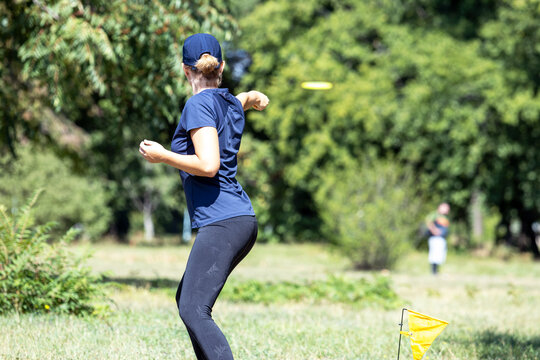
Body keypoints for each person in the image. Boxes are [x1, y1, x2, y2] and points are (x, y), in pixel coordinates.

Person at [138, 33, 269, 360]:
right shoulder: (226, 102)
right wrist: (252, 97)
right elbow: (238, 101)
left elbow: (208, 165)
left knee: (194, 308)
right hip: (240, 218)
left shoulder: (198, 105)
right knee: (188, 301)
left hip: (224, 220)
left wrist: (164, 155)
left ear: (185, 70)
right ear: (221, 67)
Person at [425, 203, 450, 275]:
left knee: (440, 256)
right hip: (435, 238)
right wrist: (434, 230)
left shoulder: (445, 217)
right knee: (434, 255)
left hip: (442, 238)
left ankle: (436, 271)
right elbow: (428, 222)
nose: (447, 210)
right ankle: (434, 271)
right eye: (445, 208)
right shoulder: (435, 215)